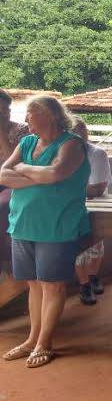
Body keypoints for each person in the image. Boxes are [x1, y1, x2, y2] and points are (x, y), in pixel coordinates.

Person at [0, 95, 90, 368]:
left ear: (49, 115)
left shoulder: (72, 144)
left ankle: (44, 342)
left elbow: (56, 174)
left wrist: (25, 170)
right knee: (34, 285)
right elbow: (3, 174)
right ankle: (31, 339)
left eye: (30, 113)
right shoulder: (27, 142)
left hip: (57, 226)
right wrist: (38, 176)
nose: (26, 118)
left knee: (52, 285)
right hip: (23, 223)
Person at [71, 117, 112, 305]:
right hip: (72, 205)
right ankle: (84, 284)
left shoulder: (96, 154)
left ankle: (93, 276)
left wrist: (62, 187)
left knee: (96, 247)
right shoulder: (61, 153)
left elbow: (98, 188)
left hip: (97, 205)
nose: (78, 136)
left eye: (81, 131)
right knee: (79, 248)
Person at [0, 89, 31, 272]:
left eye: (6, 110)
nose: (4, 114)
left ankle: (7, 262)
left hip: (16, 182)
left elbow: (14, 166)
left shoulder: (22, 131)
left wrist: (3, 133)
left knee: (2, 204)